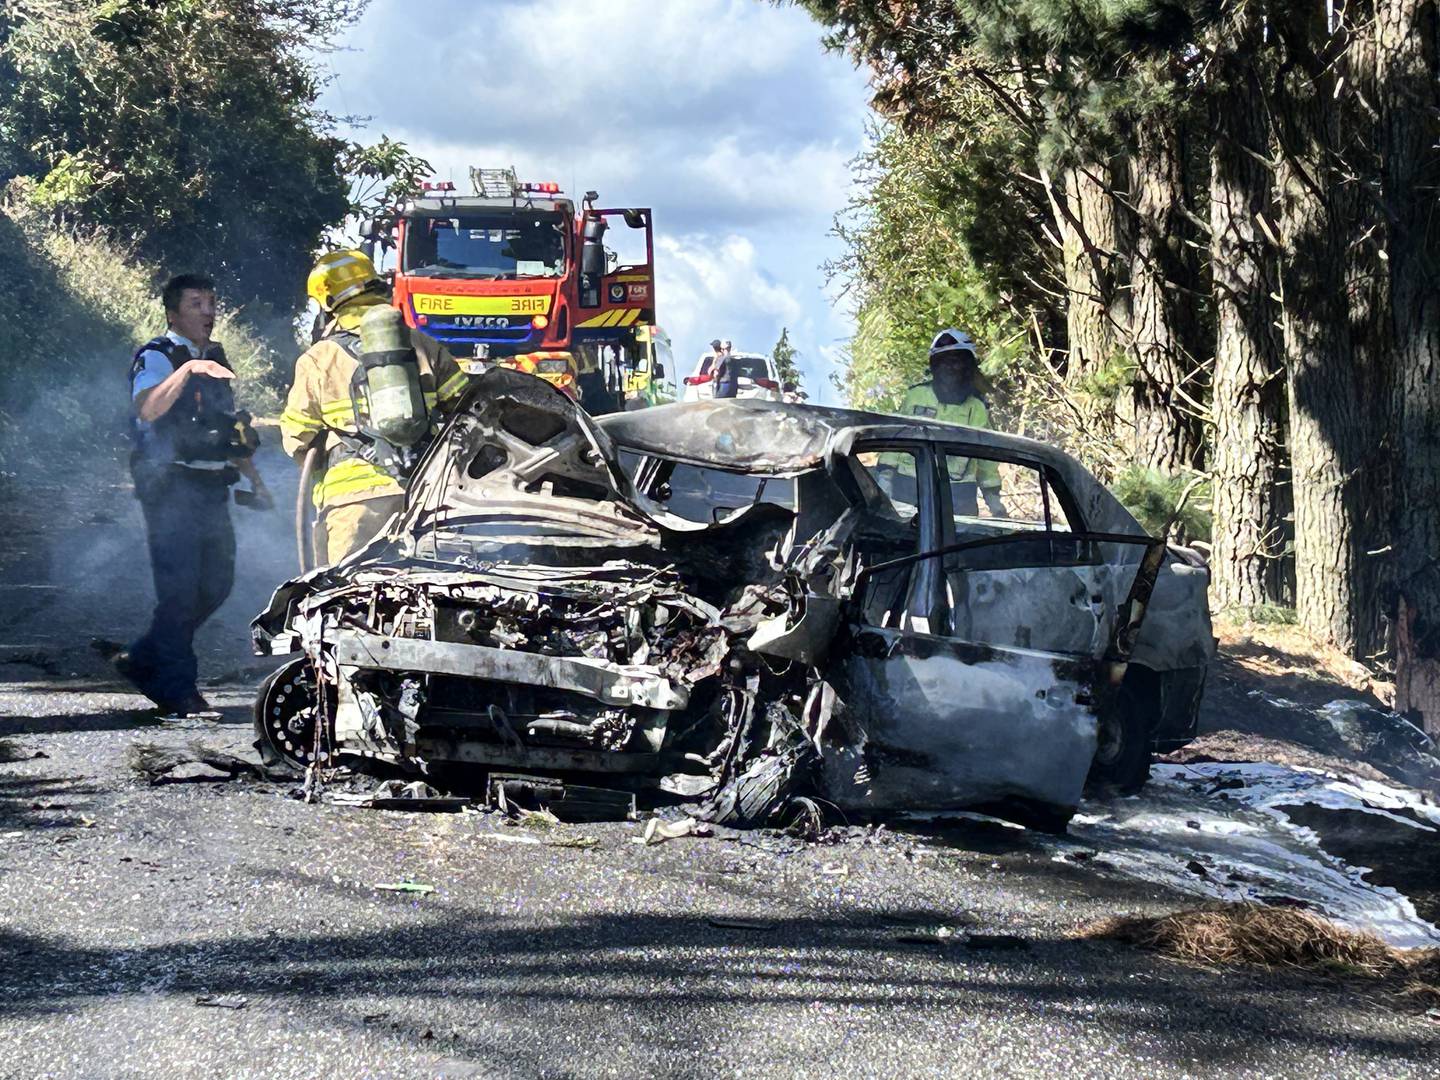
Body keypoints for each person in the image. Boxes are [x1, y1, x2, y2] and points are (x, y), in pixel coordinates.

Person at [112, 273, 269, 715]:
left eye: (212, 302)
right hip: (170, 485)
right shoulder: (160, 357)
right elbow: (147, 408)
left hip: (210, 487)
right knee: (180, 591)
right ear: (173, 314)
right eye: (196, 303)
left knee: (217, 584)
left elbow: (227, 431)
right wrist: (188, 370)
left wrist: (256, 480)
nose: (208, 312)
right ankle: (178, 690)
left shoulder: (212, 358)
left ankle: (143, 656)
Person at [280, 250, 469, 566]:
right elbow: (466, 410)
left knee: (348, 600)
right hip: (424, 495)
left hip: (353, 506)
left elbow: (296, 437)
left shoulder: (318, 359)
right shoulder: (424, 344)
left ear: (329, 302)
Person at [890, 329, 1006, 517]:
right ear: (934, 366)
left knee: (957, 545)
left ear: (968, 366)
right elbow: (895, 441)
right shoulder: (916, 396)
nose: (949, 368)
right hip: (908, 488)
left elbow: (986, 459)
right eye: (943, 361)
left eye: (956, 361)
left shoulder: (976, 408)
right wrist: (885, 479)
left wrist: (994, 502)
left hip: (959, 497)